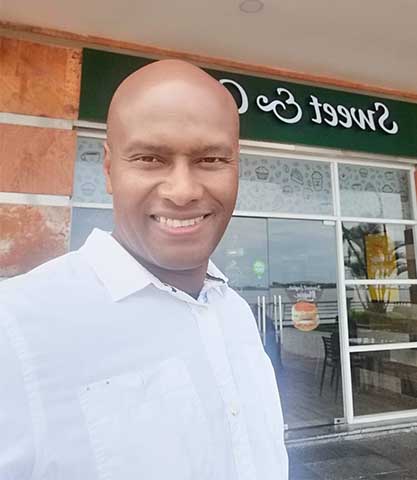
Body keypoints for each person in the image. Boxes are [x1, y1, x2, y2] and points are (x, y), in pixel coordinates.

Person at [0, 60, 288, 480]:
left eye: (210, 159)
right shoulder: (15, 330)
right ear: (108, 169)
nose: (183, 191)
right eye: (150, 158)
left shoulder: (235, 313)